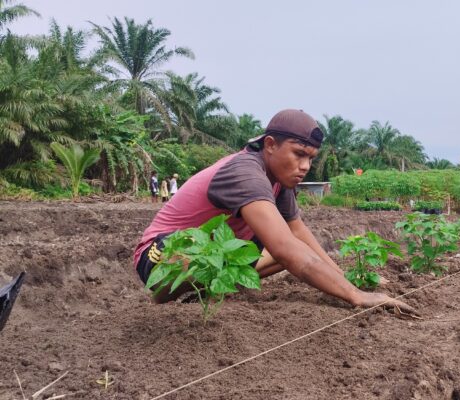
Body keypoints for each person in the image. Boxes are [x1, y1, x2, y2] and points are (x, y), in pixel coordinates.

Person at [133, 109, 415, 314]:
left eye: (310, 158)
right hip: (160, 257)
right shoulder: (245, 172)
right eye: (298, 154)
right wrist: (355, 296)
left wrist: (347, 281)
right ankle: (166, 295)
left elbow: (298, 233)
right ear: (270, 145)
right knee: (283, 250)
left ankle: (201, 293)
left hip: (212, 255)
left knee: (294, 248)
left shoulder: (280, 181)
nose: (305, 166)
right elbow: (283, 247)